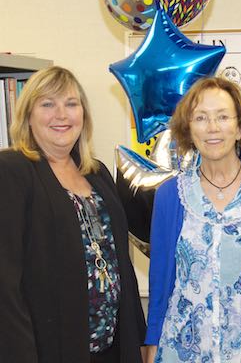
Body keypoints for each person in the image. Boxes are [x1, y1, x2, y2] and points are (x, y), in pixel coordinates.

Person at [145, 77, 241, 363]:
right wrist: (152, 340)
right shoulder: (170, 195)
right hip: (182, 350)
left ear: (240, 128)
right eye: (201, 118)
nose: (212, 127)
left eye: (222, 117)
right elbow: (161, 279)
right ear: (188, 129)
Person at [0, 66, 146, 362]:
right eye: (47, 104)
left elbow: (121, 264)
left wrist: (139, 339)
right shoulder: (12, 170)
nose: (61, 115)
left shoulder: (97, 173)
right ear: (28, 115)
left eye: (71, 104)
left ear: (84, 115)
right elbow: (5, 283)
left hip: (111, 348)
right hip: (49, 349)